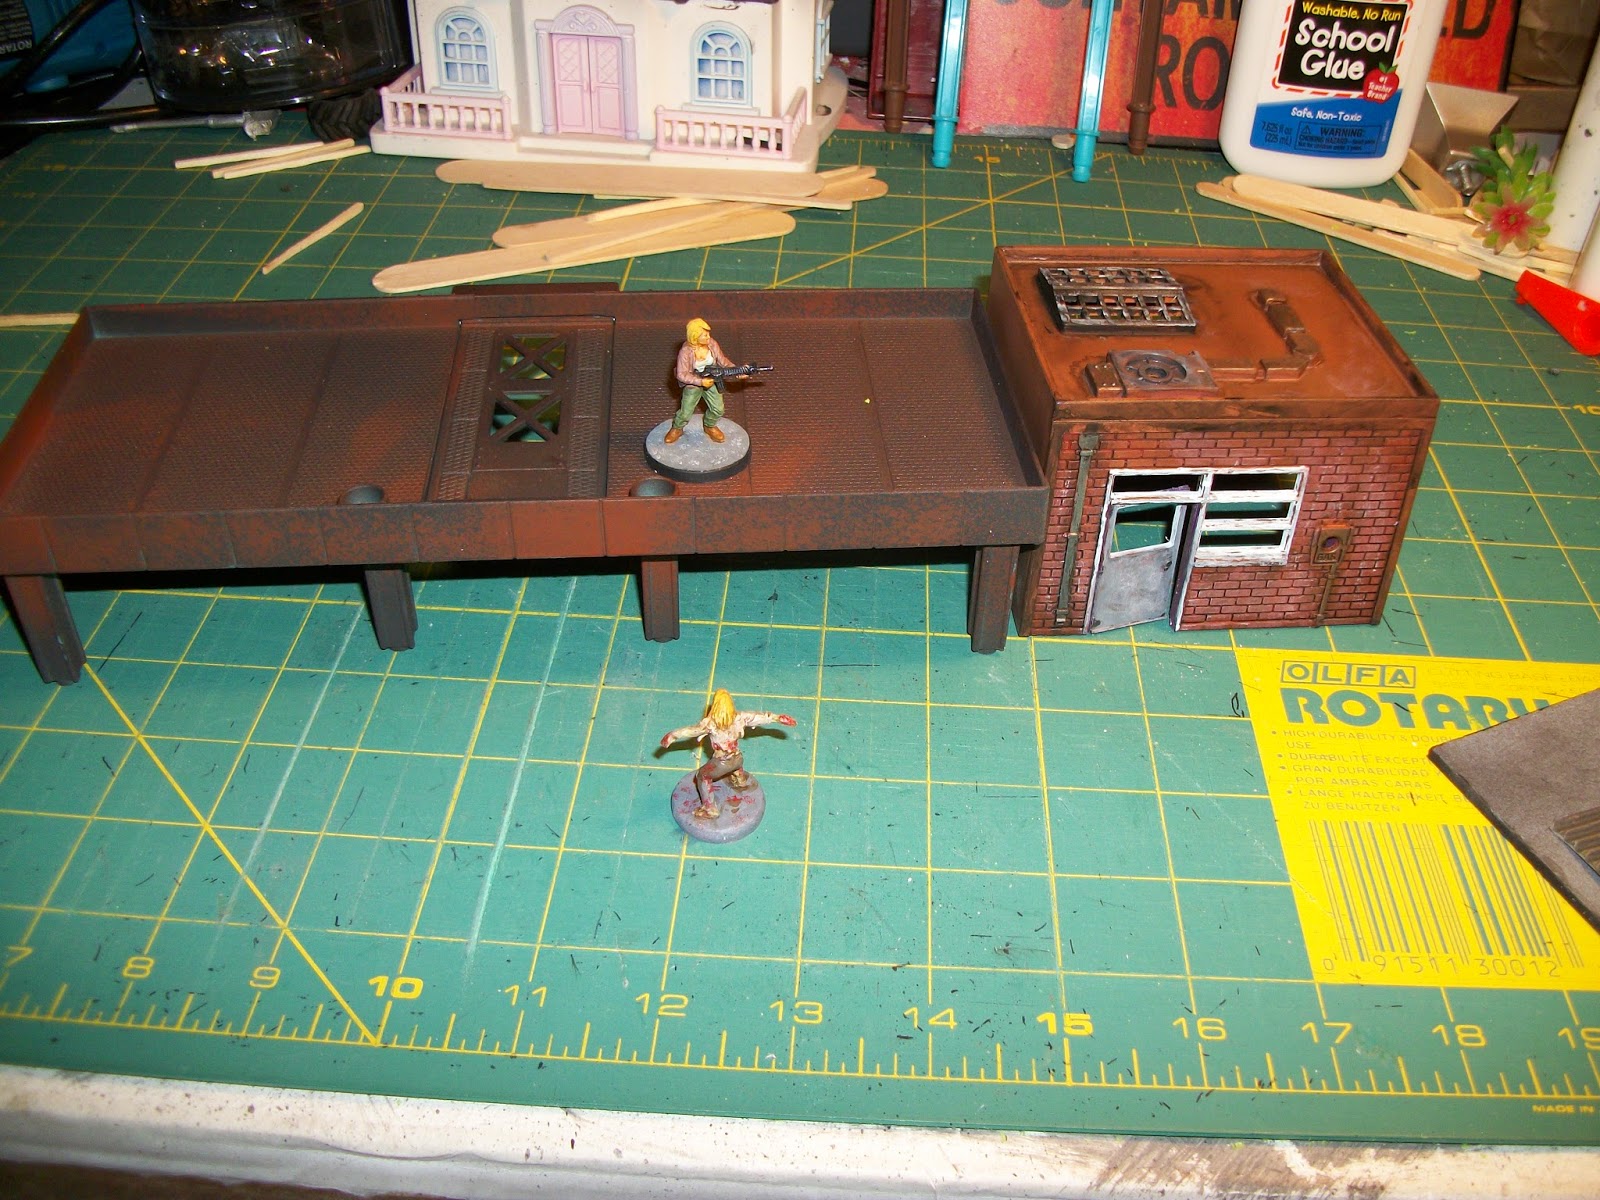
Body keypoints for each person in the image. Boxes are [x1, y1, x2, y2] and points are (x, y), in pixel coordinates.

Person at [659, 688, 796, 820]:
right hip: (738, 758)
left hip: (722, 762)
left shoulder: (710, 724)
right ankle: (740, 781)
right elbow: (760, 717)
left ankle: (710, 809)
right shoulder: (740, 717)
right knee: (735, 767)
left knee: (702, 776)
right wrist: (777, 718)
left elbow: (691, 731)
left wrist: (672, 735)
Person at [666, 317, 734, 444]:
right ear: (694, 336)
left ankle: (709, 425)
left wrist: (737, 371)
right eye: (704, 335)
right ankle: (677, 428)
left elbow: (722, 361)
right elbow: (681, 374)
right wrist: (700, 382)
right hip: (693, 383)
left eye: (708, 334)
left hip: (711, 381)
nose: (708, 337)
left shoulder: (712, 344)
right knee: (685, 412)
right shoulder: (685, 352)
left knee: (718, 409)